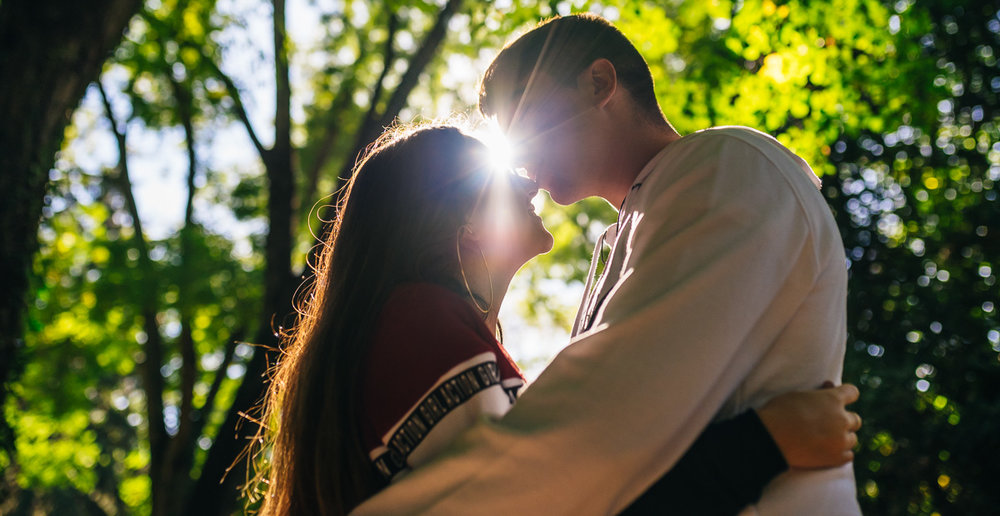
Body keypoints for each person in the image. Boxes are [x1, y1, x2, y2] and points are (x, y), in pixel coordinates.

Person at [353, 14, 862, 514]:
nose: (519, 161)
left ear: (598, 83)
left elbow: (605, 425)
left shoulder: (724, 168)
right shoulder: (637, 223)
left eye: (524, 119)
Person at [252, 124, 861, 516]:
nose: (524, 177)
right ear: (461, 225)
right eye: (493, 174)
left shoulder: (426, 330)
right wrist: (763, 444)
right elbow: (529, 502)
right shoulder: (420, 324)